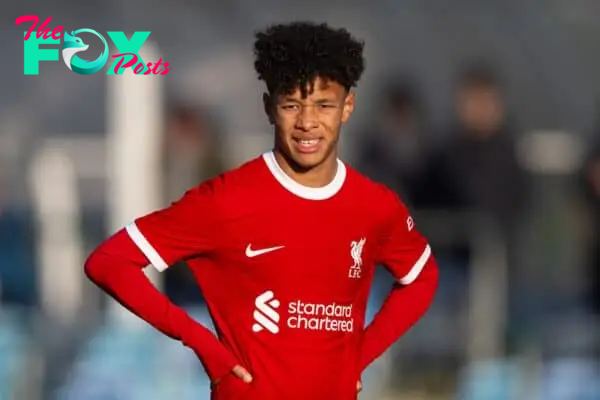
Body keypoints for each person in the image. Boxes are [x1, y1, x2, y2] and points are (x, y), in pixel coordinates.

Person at [84, 22, 439, 400]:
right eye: (291, 105)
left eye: (323, 105)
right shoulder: (224, 200)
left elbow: (422, 277)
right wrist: (204, 345)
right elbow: (110, 262)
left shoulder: (374, 206)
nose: (307, 122)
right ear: (269, 107)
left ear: (347, 107)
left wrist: (360, 356)